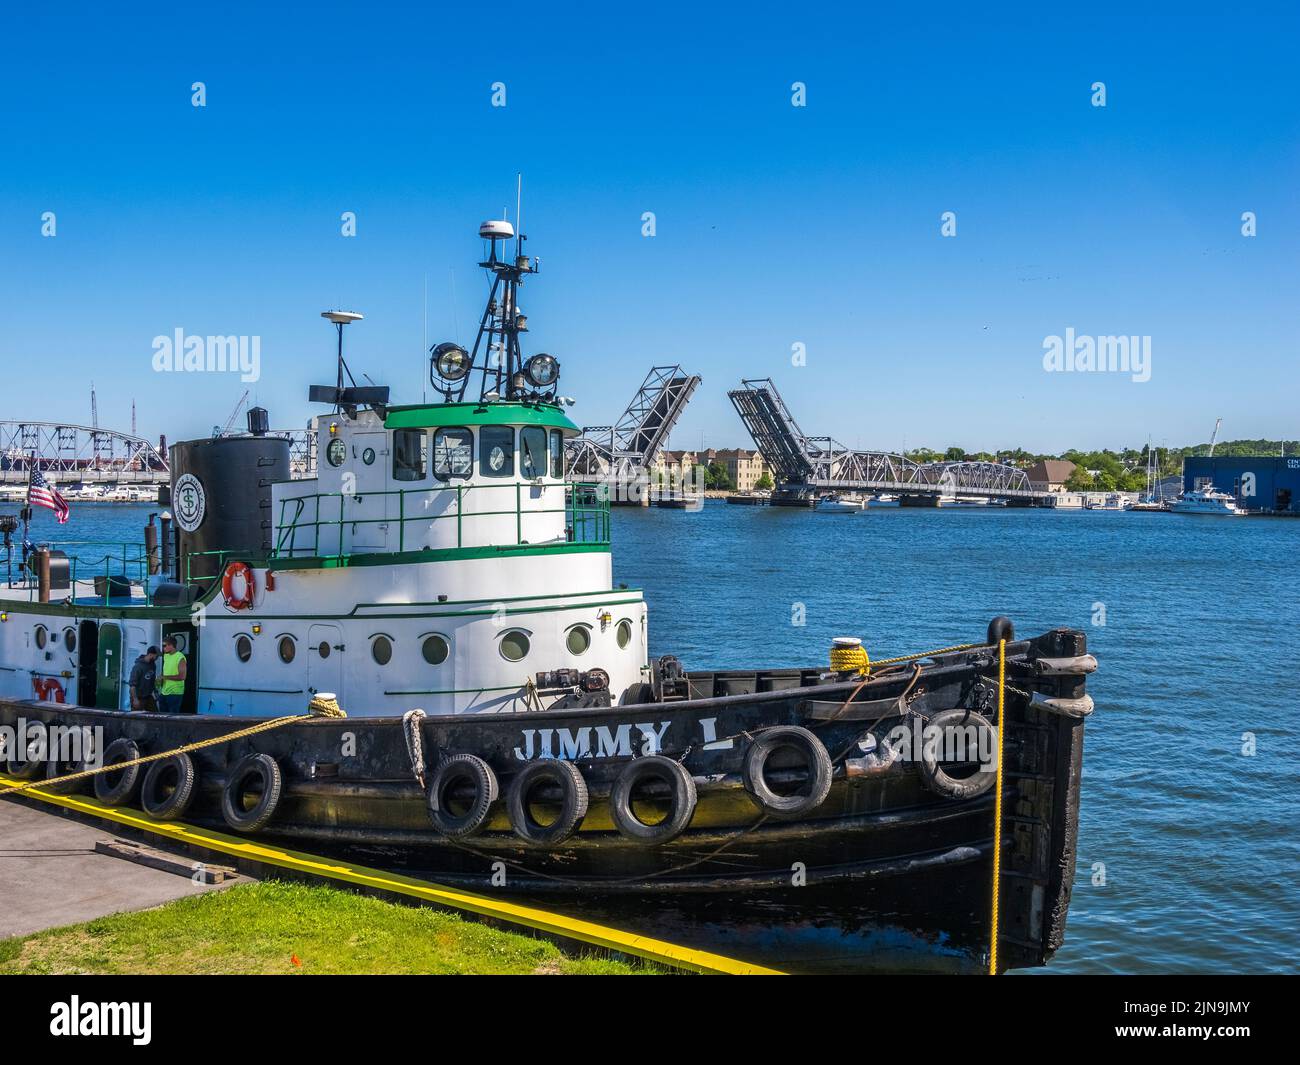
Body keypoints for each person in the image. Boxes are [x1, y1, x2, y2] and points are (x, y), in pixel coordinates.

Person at [156, 636, 187, 714]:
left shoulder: (180, 657)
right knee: (162, 716)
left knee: (172, 718)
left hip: (175, 693)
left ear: (171, 645)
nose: (163, 648)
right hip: (164, 691)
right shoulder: (166, 656)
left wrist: (164, 677)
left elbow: (182, 676)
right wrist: (159, 681)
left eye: (164, 645)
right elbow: (166, 671)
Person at [128, 645, 159, 712]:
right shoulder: (138, 667)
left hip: (148, 697)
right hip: (138, 697)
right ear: (150, 654)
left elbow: (152, 680)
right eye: (156, 656)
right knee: (137, 719)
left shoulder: (153, 665)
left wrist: (156, 693)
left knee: (156, 716)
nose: (157, 658)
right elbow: (132, 686)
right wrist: (135, 700)